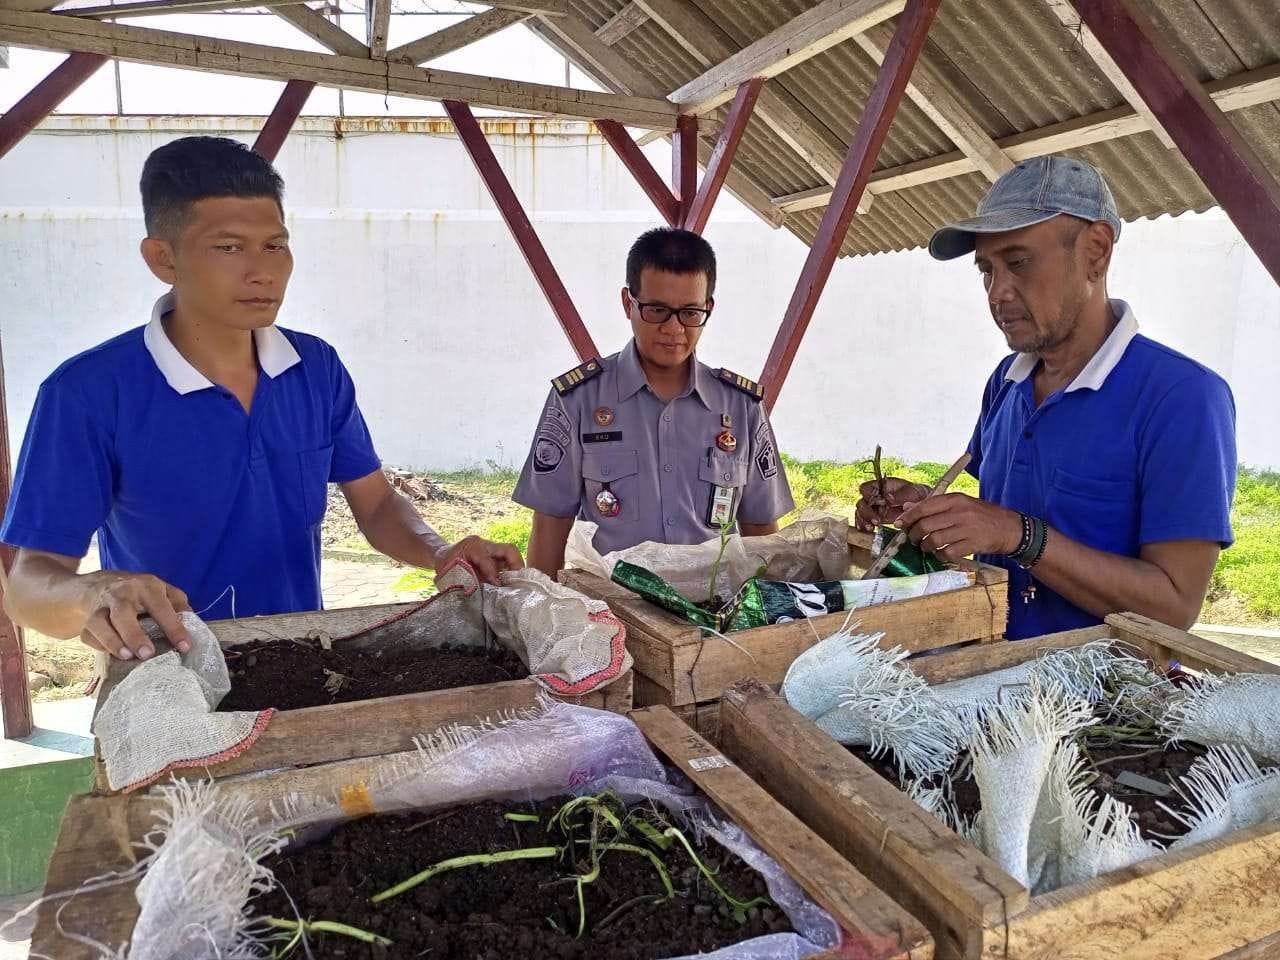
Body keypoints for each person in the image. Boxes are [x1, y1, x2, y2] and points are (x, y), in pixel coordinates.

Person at [0, 136, 521, 662]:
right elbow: (28, 584)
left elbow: (378, 505)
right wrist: (93, 593)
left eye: (274, 245)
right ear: (163, 258)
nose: (262, 270)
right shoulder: (88, 393)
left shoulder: (315, 369)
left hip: (304, 657)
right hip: (168, 673)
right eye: (228, 247)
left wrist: (441, 552)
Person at [855, 155, 1236, 641]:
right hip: (984, 671)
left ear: (1096, 252)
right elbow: (1001, 517)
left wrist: (1019, 534)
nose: (998, 293)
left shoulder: (1182, 397)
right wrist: (933, 515)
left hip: (1097, 702)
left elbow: (1174, 607)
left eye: (1018, 263)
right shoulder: (1006, 383)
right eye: (987, 272)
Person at [514, 227, 794, 577]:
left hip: (715, 618)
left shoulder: (741, 408)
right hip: (614, 617)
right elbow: (549, 531)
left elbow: (762, 536)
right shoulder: (578, 401)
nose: (674, 328)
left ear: (708, 307)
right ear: (628, 303)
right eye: (657, 310)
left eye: (690, 313)